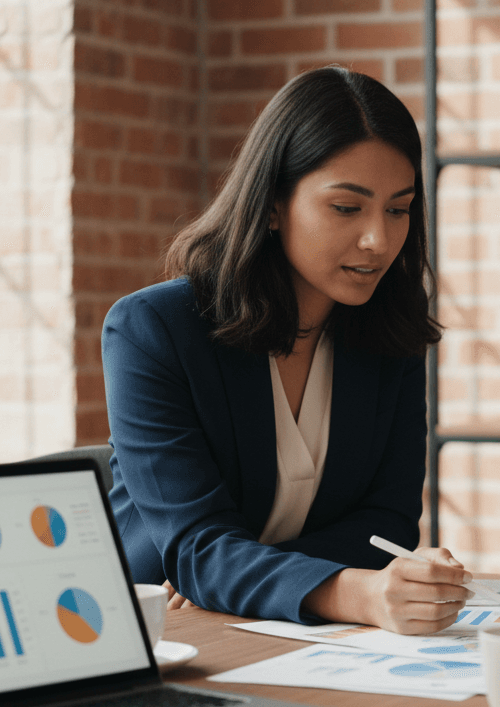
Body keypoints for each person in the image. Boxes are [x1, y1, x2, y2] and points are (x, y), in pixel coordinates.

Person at [103, 67, 471, 635]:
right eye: (347, 208)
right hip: (169, 635)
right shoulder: (153, 329)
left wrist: (242, 577)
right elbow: (196, 549)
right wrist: (355, 591)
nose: (379, 240)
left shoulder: (391, 330)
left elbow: (388, 521)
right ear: (273, 203)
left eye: (398, 209)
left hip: (304, 632)